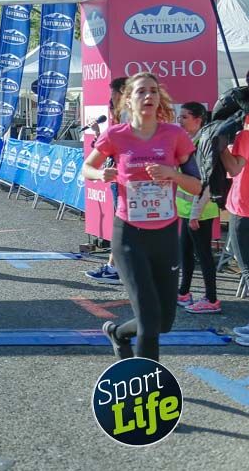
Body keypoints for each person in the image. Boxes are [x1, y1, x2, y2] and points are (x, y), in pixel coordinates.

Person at [82, 72, 201, 361]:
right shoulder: (115, 135)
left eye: (153, 91)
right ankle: (146, 389)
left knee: (164, 323)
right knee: (149, 320)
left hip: (165, 235)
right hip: (129, 235)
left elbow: (196, 185)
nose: (148, 96)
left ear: (159, 99)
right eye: (140, 92)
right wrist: (102, 173)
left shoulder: (174, 135)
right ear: (129, 99)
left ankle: (118, 333)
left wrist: (172, 174)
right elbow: (87, 168)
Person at [175, 102, 222, 313]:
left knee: (203, 255)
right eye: (179, 116)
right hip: (187, 209)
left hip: (201, 211)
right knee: (185, 252)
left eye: (184, 117)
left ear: (198, 119)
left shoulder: (204, 141)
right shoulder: (189, 140)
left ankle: (211, 299)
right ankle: (183, 292)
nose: (179, 120)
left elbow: (207, 181)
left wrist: (195, 213)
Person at [86, 76, 128, 284]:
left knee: (123, 224)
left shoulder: (133, 120)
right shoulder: (118, 122)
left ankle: (115, 267)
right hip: (120, 179)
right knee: (121, 223)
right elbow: (90, 167)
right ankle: (114, 266)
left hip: (129, 182)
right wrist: (97, 134)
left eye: (113, 93)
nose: (111, 99)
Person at [220, 107, 249, 345]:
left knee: (247, 267)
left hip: (244, 206)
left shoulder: (244, 129)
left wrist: (218, 144)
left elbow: (234, 168)